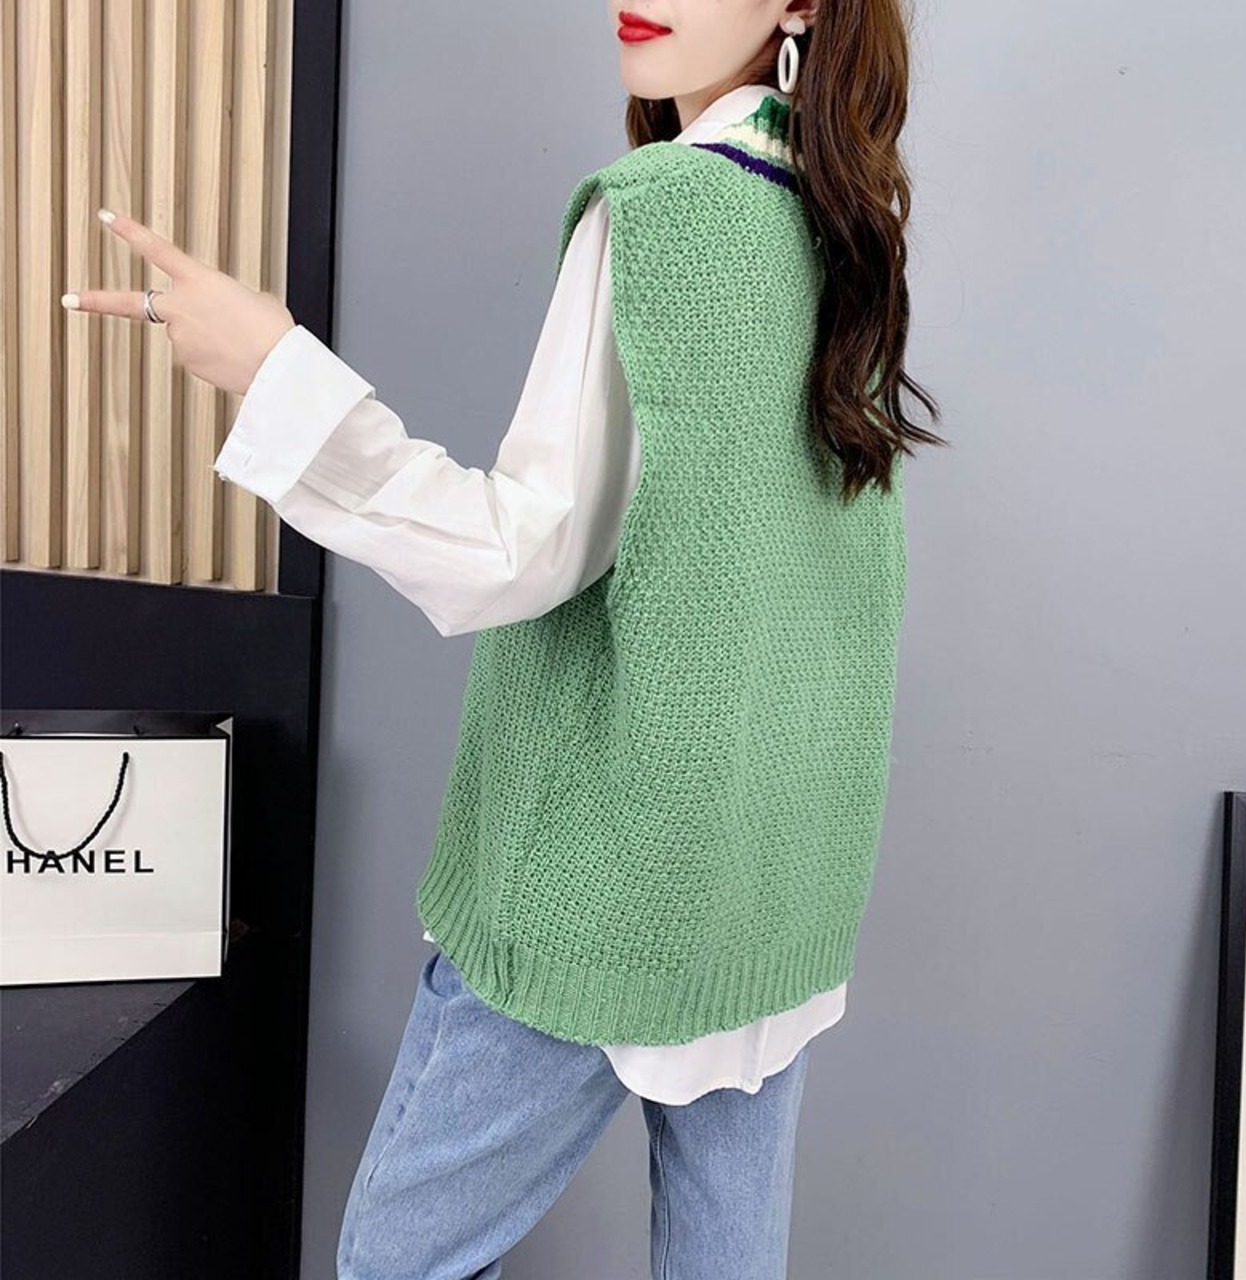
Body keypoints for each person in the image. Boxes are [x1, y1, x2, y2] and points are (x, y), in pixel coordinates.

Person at [61, 2, 944, 1275]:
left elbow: (515, 552)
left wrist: (271, 369)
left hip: (613, 872)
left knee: (396, 1260)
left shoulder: (661, 213)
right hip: (778, 867)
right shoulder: (846, 215)